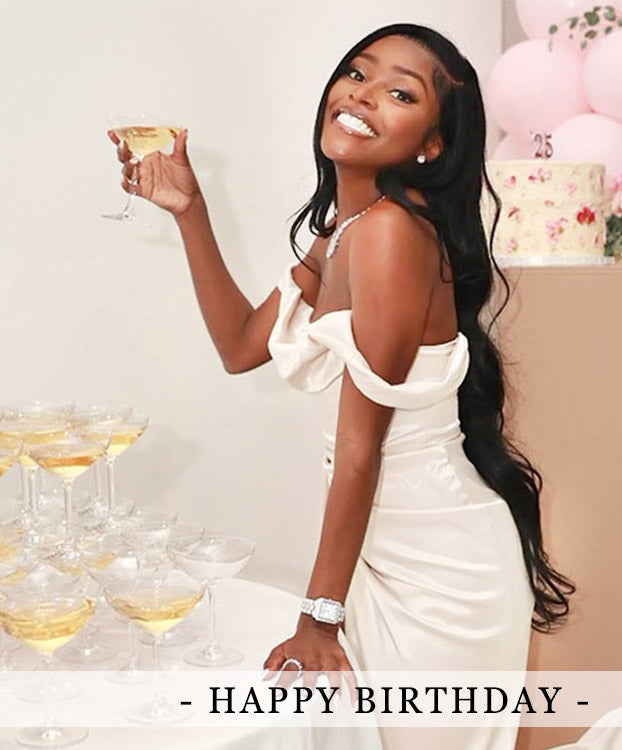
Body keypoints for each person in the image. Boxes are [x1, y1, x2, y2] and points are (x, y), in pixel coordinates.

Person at [109, 22, 575, 749]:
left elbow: (361, 449)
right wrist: (190, 211)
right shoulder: (346, 232)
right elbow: (241, 346)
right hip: (379, 556)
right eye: (357, 73)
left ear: (432, 145)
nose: (361, 95)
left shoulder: (391, 235)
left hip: (438, 577)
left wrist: (318, 618)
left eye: (400, 92)